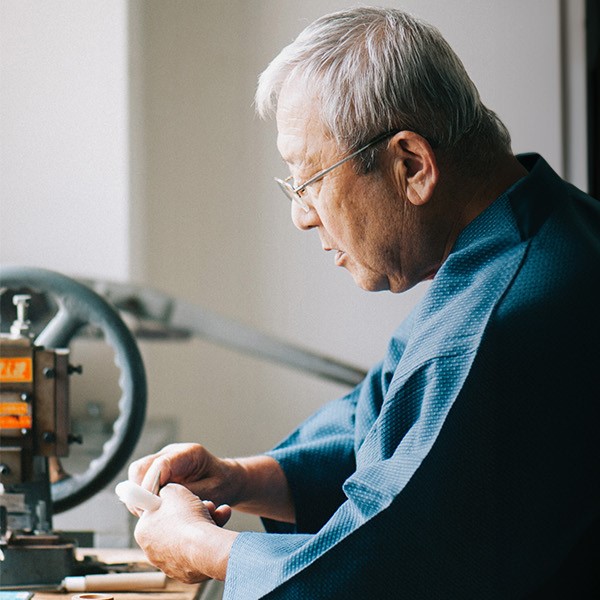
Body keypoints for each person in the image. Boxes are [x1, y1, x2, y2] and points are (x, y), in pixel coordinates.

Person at [127, 7, 600, 598]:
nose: (302, 216)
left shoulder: (506, 319)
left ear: (411, 165)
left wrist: (201, 547)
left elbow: (382, 568)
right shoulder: (532, 231)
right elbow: (382, 420)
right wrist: (239, 479)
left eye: (310, 181)